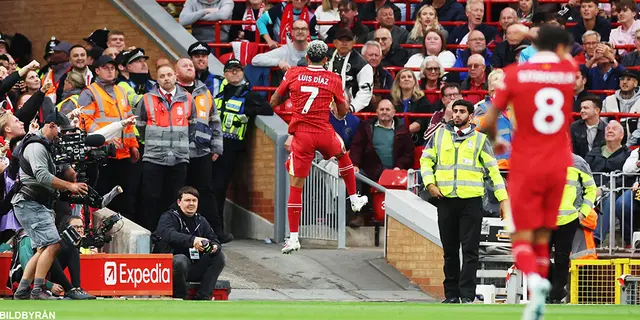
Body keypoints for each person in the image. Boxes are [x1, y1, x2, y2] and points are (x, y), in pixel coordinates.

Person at [483, 25, 577, 320]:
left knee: (522, 234)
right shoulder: (567, 73)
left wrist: (498, 141)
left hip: (526, 162)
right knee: (544, 234)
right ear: (560, 48)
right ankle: (538, 299)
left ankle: (536, 282)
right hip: (560, 161)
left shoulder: (513, 74)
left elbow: (487, 122)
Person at [270, 40, 368, 254]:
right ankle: (353, 198)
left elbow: (274, 100)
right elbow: (342, 112)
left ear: (307, 58)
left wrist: (292, 101)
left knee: (296, 186)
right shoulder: (333, 77)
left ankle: (294, 238)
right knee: (343, 155)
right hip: (323, 131)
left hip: (302, 134)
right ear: (326, 60)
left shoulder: (294, 73)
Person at [420, 99, 507, 303]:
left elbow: (494, 172)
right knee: (449, 250)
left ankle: (467, 295)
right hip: (445, 199)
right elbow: (425, 161)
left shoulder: (479, 140)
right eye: (455, 111)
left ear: (470, 116)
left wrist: (503, 199)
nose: (457, 115)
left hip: (471, 201)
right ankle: (451, 294)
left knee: (470, 250)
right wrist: (429, 184)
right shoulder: (439, 135)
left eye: (462, 111)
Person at [11, 112, 89, 300]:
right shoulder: (36, 146)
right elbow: (42, 176)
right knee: (53, 245)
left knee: (43, 249)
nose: (61, 136)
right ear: (51, 125)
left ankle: (23, 290)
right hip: (30, 201)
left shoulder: (45, 146)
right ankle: (38, 291)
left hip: (35, 202)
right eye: (60, 131)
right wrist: (70, 185)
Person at [211, 59, 273, 240]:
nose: (234, 73)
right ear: (225, 74)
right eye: (230, 70)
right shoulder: (219, 94)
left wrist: (248, 111)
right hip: (214, 146)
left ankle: (218, 231)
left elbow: (267, 109)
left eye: (237, 70)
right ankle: (212, 229)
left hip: (231, 149)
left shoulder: (248, 94)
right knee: (212, 189)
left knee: (219, 188)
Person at [136, 64, 194, 231]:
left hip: (179, 157)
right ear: (157, 79)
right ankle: (152, 233)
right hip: (154, 157)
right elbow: (140, 126)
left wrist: (182, 144)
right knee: (151, 198)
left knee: (174, 199)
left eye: (169, 74)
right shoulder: (147, 98)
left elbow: (193, 124)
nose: (166, 78)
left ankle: (171, 234)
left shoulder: (187, 98)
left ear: (175, 76)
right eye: (162, 76)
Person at [175, 58, 227, 243]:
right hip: (178, 152)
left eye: (191, 65)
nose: (189, 67)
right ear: (176, 72)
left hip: (202, 150)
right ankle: (180, 233)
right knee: (179, 192)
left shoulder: (204, 92)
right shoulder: (172, 92)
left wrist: (216, 146)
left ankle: (216, 232)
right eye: (185, 65)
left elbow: (215, 120)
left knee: (206, 192)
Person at [153, 186, 225, 300]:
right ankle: (181, 296)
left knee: (219, 256)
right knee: (180, 260)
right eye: (187, 200)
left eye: (194, 200)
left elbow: (215, 240)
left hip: (193, 266)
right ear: (179, 202)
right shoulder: (168, 217)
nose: (191, 204)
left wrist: (213, 246)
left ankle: (203, 297)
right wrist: (193, 241)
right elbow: (168, 234)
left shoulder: (201, 220)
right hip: (169, 268)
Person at [549, 153, 596, 304]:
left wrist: (583, 212)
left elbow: (591, 188)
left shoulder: (578, 162)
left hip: (568, 218)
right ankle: (556, 289)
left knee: (561, 258)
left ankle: (555, 294)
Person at [571, 95, 606, 159]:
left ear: (597, 110)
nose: (582, 111)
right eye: (581, 108)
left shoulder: (606, 129)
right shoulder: (574, 127)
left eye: (585, 108)